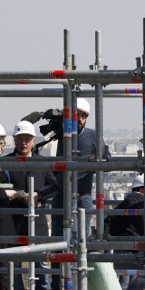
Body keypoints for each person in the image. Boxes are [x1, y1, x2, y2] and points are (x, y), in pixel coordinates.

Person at [1, 120, 56, 290]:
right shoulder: (5, 162)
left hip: (37, 218)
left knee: (41, 261)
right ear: (14, 140)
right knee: (14, 263)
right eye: (20, 139)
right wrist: (16, 195)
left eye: (27, 139)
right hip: (13, 219)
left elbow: (53, 186)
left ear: (33, 141)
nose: (23, 143)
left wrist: (38, 194)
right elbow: (0, 187)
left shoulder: (42, 162)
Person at [53, 97, 106, 241]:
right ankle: (59, 264)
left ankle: (80, 263)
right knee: (59, 236)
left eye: (83, 116)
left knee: (82, 236)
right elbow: (58, 160)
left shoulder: (93, 136)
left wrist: (92, 162)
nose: (80, 119)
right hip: (62, 192)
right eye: (77, 116)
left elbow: (106, 159)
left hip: (83, 192)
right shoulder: (63, 136)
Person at [109, 175, 145, 290]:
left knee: (124, 279)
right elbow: (135, 215)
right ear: (142, 190)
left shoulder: (129, 199)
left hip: (119, 244)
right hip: (125, 245)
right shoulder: (136, 198)